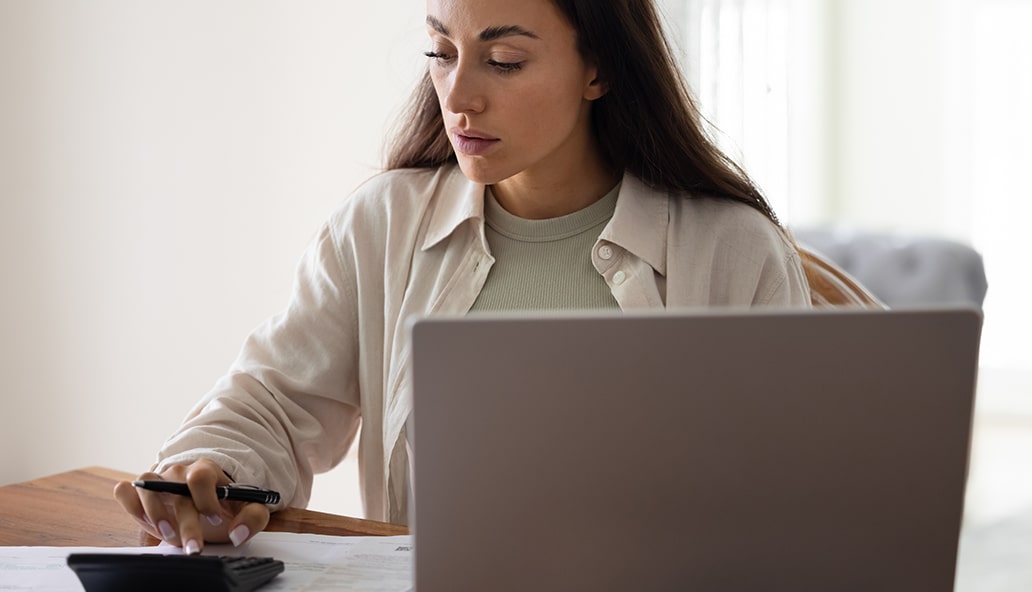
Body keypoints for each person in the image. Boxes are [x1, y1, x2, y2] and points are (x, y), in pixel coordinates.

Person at [114, 0, 811, 555]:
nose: (459, 96)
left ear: (598, 70)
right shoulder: (381, 225)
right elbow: (271, 401)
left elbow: (803, 499)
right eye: (441, 53)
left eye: (503, 61)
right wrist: (208, 470)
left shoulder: (735, 252)